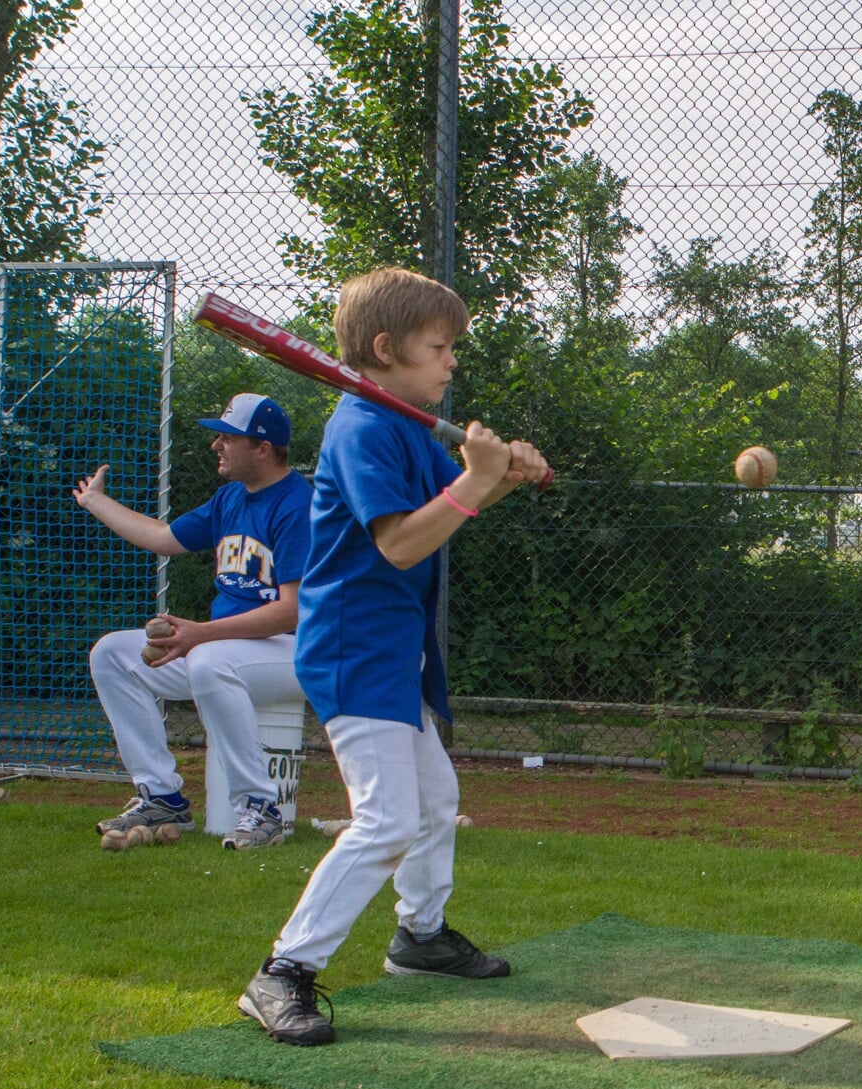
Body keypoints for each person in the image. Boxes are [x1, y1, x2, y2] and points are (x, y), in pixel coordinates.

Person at [238, 267, 550, 1047]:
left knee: (435, 801)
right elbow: (402, 543)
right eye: (439, 348)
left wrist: (502, 478)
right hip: (352, 646)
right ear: (386, 349)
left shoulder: (405, 421)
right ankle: (282, 971)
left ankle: (421, 937)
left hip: (390, 646)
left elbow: (451, 509)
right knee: (386, 820)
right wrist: (478, 480)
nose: (452, 363)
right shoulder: (363, 428)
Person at [76, 393, 312, 850]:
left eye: (227, 437)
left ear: (262, 448)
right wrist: (97, 503)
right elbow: (164, 538)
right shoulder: (230, 499)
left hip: (297, 651)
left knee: (208, 662)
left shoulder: (298, 504)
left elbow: (293, 610)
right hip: (228, 649)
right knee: (111, 654)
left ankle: (262, 808)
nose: (216, 445)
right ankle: (162, 795)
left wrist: (201, 635)